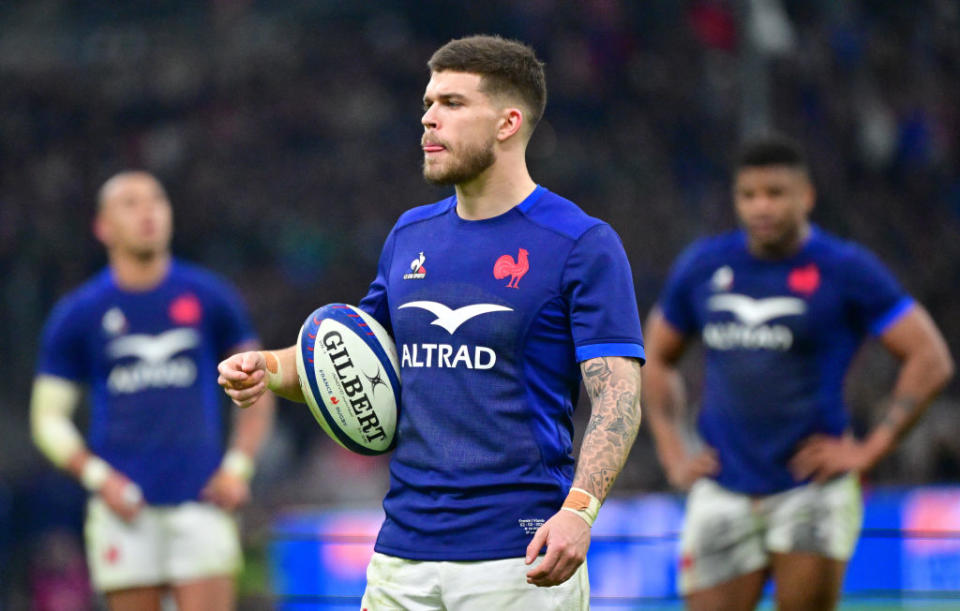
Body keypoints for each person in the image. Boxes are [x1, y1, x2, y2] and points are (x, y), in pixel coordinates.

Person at [219, 35, 644, 609]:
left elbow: (618, 394)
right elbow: (346, 358)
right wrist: (267, 367)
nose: (428, 120)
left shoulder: (580, 243)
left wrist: (579, 511)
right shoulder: (409, 235)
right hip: (401, 555)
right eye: (427, 104)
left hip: (518, 558)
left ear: (508, 122)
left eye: (451, 103)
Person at [643, 134, 955, 611]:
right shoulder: (705, 266)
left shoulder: (845, 268)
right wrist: (672, 451)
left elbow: (930, 357)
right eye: (748, 195)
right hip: (723, 486)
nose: (760, 207)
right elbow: (655, 356)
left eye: (775, 193)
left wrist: (870, 449)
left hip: (811, 490)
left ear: (806, 196)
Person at [30, 171, 275, 611]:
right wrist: (99, 479)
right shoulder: (79, 313)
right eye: (130, 203)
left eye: (157, 200)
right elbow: (46, 418)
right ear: (102, 226)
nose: (148, 211)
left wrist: (238, 468)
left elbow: (260, 384)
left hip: (202, 502)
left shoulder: (210, 297)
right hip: (124, 509)